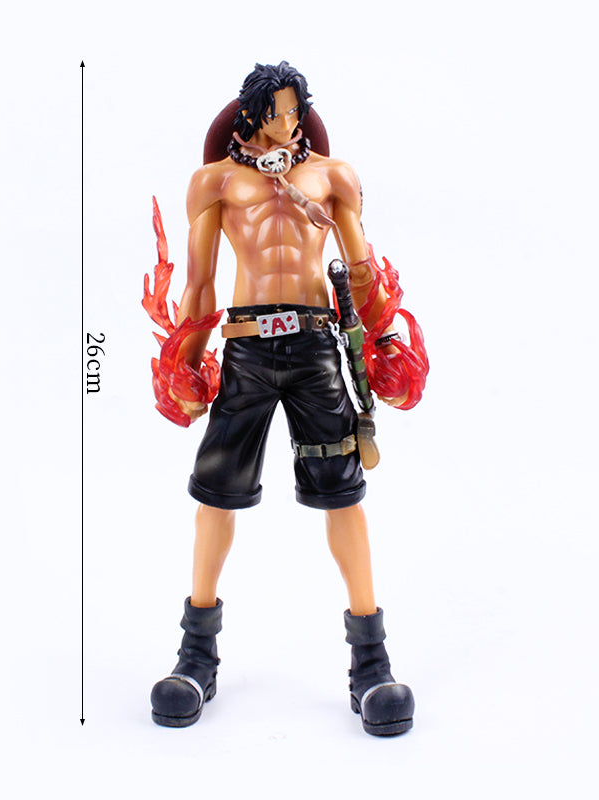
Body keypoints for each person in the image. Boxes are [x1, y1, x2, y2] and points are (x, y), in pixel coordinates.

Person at [148, 61, 418, 735]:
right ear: (251, 113)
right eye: (276, 110)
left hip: (316, 349)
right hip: (245, 351)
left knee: (343, 491)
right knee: (217, 492)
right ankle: (195, 656)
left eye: (296, 109)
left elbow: (361, 273)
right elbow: (200, 286)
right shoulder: (215, 183)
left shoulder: (333, 177)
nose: (288, 121)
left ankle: (371, 663)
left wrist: (385, 344)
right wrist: (184, 361)